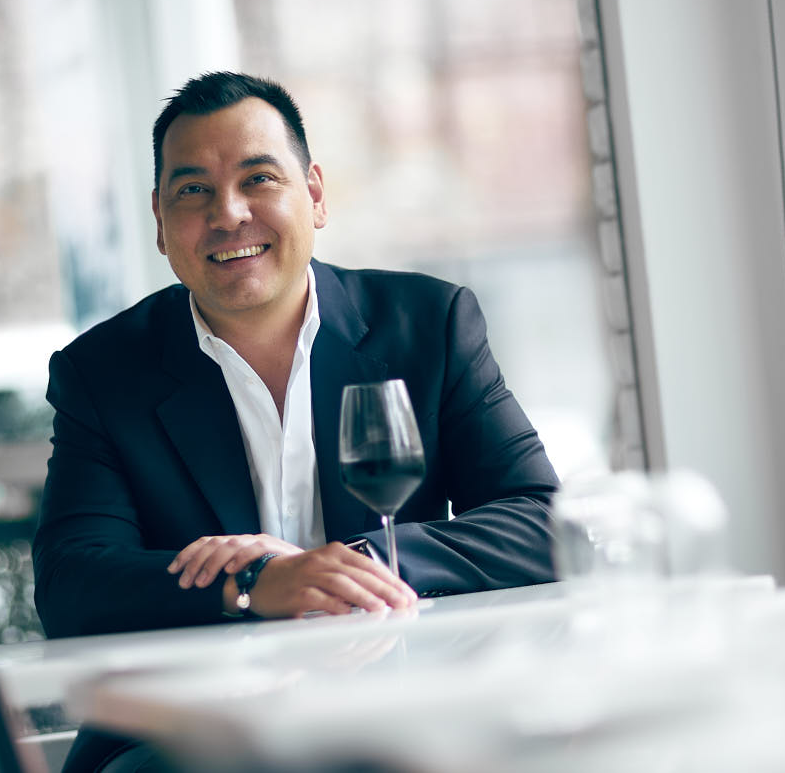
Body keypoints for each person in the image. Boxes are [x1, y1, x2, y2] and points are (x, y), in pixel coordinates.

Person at [32, 71, 559, 642]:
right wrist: (256, 583)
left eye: (258, 178)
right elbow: (70, 586)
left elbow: (542, 523)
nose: (229, 213)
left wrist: (351, 566)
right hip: (208, 718)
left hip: (406, 694)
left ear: (314, 196)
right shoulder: (103, 372)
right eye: (193, 190)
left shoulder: (429, 324)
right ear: (160, 221)